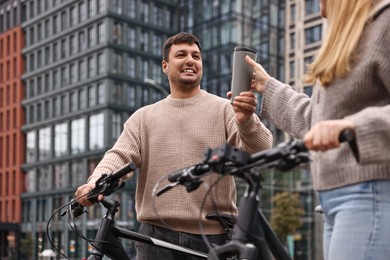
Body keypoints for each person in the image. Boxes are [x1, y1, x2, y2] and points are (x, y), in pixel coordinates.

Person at [75, 32, 273, 259]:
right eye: (181, 55)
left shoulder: (226, 109)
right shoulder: (143, 117)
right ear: (165, 66)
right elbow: (119, 155)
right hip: (154, 240)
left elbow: (263, 150)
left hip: (214, 239)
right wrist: (95, 182)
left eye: (196, 56)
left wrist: (246, 119)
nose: (190, 60)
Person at [243, 0, 390, 259]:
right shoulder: (349, 37)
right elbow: (317, 119)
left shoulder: (385, 23)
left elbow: (340, 125)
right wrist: (268, 86)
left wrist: (354, 126)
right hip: (334, 201)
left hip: (370, 194)